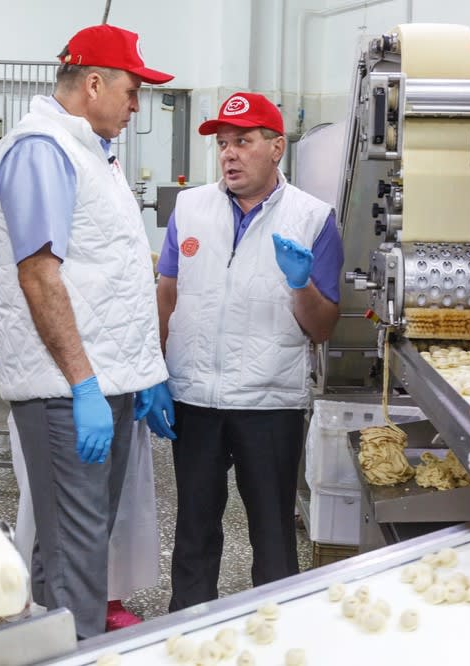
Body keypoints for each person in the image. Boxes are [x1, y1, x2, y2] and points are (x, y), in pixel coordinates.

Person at [0, 23, 175, 638]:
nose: (136, 105)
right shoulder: (42, 150)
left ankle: (48, 640)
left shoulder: (92, 152)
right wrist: (85, 385)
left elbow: (108, 271)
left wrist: (143, 372)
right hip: (67, 389)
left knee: (74, 544)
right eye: (132, 90)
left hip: (102, 380)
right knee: (79, 552)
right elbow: (39, 276)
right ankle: (79, 648)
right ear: (93, 83)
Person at [156, 92, 345, 611]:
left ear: (276, 147)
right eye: (223, 144)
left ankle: (278, 632)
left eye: (243, 141)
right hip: (195, 397)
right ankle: (187, 632)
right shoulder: (190, 208)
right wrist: (156, 372)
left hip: (269, 403)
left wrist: (301, 284)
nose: (229, 154)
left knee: (273, 537)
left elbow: (322, 327)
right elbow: (167, 293)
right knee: (193, 533)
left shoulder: (313, 218)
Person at [7, 412, 159, 631]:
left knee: (114, 502)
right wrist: (84, 391)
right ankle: (42, 597)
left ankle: (107, 596)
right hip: (59, 403)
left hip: (119, 397)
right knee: (51, 501)